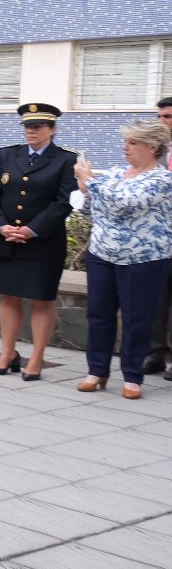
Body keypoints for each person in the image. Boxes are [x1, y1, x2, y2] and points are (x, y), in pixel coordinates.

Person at [74, 120, 172, 400]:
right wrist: (87, 189)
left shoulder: (162, 179)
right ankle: (96, 372)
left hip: (144, 259)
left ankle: (132, 376)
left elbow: (126, 203)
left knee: (137, 318)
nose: (124, 147)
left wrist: (89, 181)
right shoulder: (116, 174)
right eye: (125, 141)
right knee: (99, 315)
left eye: (132, 142)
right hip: (103, 254)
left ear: (152, 147)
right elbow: (91, 209)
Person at [0, 103, 78, 379]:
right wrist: (1, 227)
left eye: (38, 126)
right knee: (8, 296)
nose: (31, 131)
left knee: (41, 300)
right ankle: (7, 353)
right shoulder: (7, 155)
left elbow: (64, 203)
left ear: (53, 129)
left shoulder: (66, 160)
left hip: (42, 241)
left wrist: (32, 230)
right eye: (27, 126)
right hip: (6, 239)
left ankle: (36, 358)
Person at [145, 96, 172, 378]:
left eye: (168, 117)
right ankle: (155, 354)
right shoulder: (155, 152)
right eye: (160, 116)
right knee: (156, 297)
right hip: (158, 237)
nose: (163, 122)